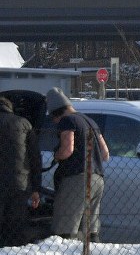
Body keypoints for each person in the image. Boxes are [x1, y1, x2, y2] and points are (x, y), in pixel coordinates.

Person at [47, 89, 108, 242]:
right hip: (97, 178)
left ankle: (64, 254)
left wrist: (56, 155)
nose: (55, 123)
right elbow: (105, 153)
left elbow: (67, 150)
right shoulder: (90, 121)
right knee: (90, 229)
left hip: (77, 179)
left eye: (53, 118)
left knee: (65, 229)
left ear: (56, 113)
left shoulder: (68, 121)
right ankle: (93, 252)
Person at [0, 95, 40, 246]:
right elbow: (35, 158)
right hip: (19, 184)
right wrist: (36, 188)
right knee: (15, 226)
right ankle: (14, 253)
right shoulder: (24, 123)